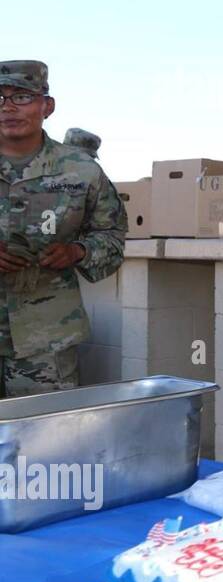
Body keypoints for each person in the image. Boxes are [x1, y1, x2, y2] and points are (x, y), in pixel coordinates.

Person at [0, 61, 126, 397]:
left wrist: (78, 251)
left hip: (46, 340)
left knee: (45, 441)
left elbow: (111, 236)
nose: (8, 107)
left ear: (47, 105)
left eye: (22, 97)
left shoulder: (82, 171)